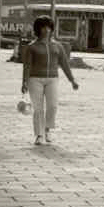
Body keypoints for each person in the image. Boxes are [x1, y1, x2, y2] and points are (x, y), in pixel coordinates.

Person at [19, 15, 80, 146]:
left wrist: (72, 80)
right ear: (38, 29)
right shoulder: (32, 47)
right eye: (43, 27)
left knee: (52, 106)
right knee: (38, 108)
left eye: (48, 27)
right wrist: (24, 82)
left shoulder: (57, 46)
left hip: (52, 79)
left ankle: (47, 130)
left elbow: (64, 64)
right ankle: (39, 135)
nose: (46, 30)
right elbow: (27, 65)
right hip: (34, 79)